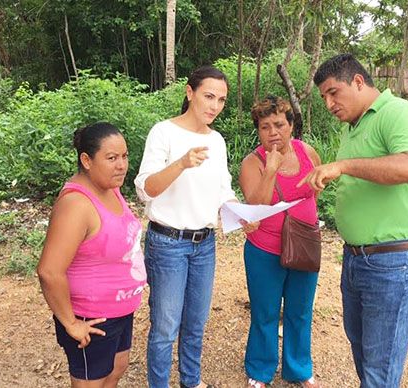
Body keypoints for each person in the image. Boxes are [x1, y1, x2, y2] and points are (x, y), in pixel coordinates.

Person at [298, 53, 408, 387]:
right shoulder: (355, 125)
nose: (329, 104)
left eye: (333, 93)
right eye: (324, 98)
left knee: (380, 364)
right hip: (359, 258)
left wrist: (343, 167)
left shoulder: (398, 113)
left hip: (394, 260)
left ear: (358, 81)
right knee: (363, 350)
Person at [134, 65, 257, 388]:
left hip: (205, 244)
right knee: (165, 326)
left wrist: (241, 214)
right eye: (208, 96)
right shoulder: (164, 132)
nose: (214, 106)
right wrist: (181, 163)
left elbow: (223, 191)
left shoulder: (217, 140)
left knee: (196, 323)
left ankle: (192, 381)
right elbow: (146, 188)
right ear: (189, 93)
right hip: (168, 243)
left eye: (221, 100)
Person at [37, 122, 146, 388]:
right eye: (111, 158)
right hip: (92, 316)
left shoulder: (110, 188)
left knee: (116, 370)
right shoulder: (76, 205)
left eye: (124, 156)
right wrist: (71, 323)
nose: (121, 165)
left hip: (119, 311)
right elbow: (49, 271)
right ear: (86, 160)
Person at [239, 96, 322, 388]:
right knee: (265, 311)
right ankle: (260, 370)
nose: (273, 132)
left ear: (290, 125)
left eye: (279, 124)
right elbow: (255, 207)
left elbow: (315, 191)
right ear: (258, 131)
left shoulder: (308, 152)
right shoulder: (252, 162)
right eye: (265, 127)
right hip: (264, 248)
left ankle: (299, 369)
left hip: (304, 244)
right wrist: (271, 168)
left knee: (300, 309)